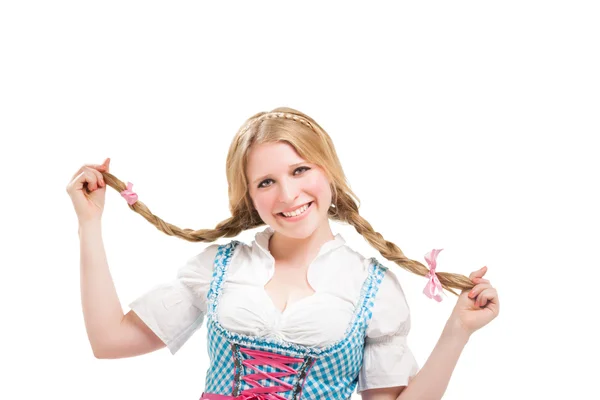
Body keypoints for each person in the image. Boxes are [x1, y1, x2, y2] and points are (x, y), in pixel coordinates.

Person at [66, 107, 499, 400]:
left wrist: (457, 330)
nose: (288, 194)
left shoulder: (372, 288)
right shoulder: (220, 268)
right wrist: (90, 224)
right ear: (250, 196)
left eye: (299, 170)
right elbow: (109, 341)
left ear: (327, 171)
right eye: (266, 182)